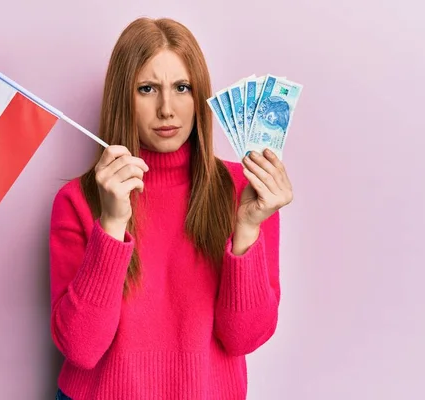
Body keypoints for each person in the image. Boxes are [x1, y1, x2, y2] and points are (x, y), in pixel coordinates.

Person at [49, 16, 293, 400]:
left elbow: (244, 337)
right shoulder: (78, 200)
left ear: (201, 96)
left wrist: (247, 229)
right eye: (147, 88)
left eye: (182, 87)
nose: (167, 108)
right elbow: (81, 348)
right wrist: (112, 224)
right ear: (121, 97)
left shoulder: (247, 193)